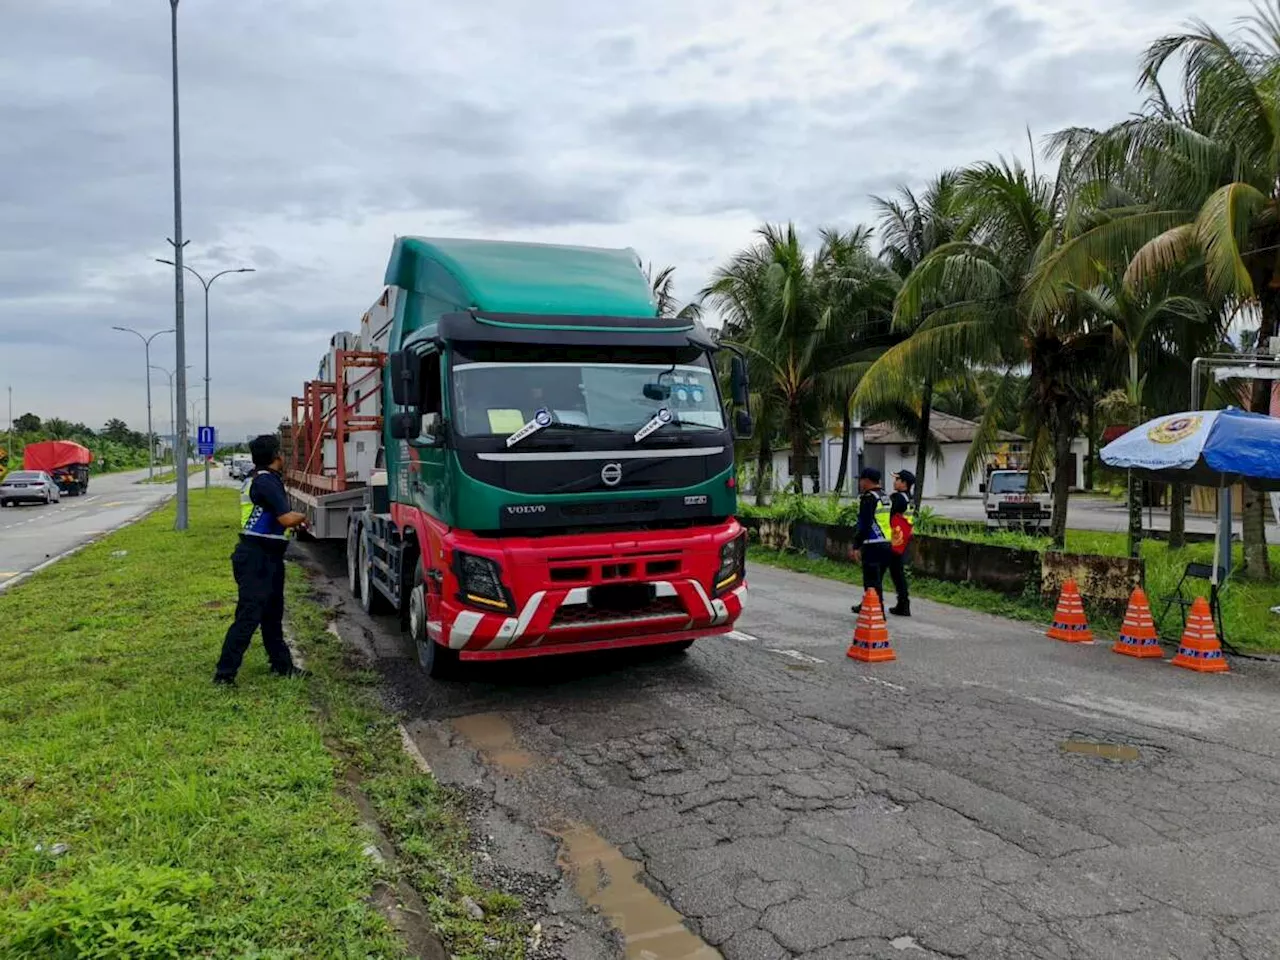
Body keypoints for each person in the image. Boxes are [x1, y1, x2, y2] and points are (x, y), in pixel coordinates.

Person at [213, 434, 309, 686]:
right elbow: (286, 518)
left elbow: (274, 521)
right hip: (257, 559)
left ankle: (282, 666)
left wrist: (290, 524)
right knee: (248, 616)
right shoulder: (266, 481)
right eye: (282, 453)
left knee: (272, 614)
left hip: (268, 556)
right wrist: (306, 514)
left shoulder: (261, 478)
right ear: (278, 456)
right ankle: (224, 674)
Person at [850, 467, 893, 615]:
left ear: (867, 481)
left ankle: (877, 613)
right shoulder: (885, 496)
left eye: (861, 480)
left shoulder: (868, 498)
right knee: (877, 580)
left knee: (871, 582)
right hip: (887, 543)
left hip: (873, 544)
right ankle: (866, 605)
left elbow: (865, 524)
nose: (860, 484)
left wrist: (856, 545)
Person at [886, 470, 915, 617]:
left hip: (894, 539)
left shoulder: (898, 499)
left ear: (904, 483)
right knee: (897, 572)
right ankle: (903, 603)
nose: (894, 482)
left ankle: (903, 604)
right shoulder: (910, 499)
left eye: (897, 479)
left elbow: (888, 516)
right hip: (903, 540)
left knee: (891, 572)